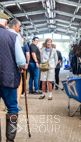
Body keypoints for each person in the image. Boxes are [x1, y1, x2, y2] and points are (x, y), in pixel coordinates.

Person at [0, 12, 28, 142]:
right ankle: (9, 140)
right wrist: (24, 65)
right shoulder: (13, 36)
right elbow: (21, 62)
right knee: (12, 108)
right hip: (8, 79)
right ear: (5, 23)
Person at [8, 19, 24, 111]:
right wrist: (22, 65)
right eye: (19, 26)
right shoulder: (16, 36)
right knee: (17, 84)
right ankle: (15, 105)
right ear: (16, 26)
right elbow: (19, 53)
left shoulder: (3, 34)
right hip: (13, 66)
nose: (19, 28)